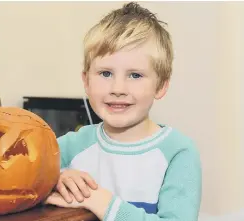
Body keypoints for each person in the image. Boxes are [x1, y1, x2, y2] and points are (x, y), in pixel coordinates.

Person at [45, 2, 202, 221]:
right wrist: (55, 180)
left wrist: (100, 201)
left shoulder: (178, 153)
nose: (118, 89)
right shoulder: (71, 146)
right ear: (86, 81)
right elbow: (17, 185)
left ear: (161, 86)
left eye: (135, 75)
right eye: (106, 73)